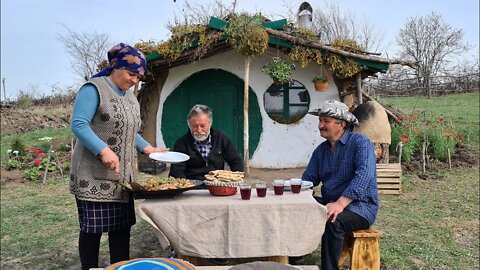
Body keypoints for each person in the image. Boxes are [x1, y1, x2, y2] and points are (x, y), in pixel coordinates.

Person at [70, 43, 167, 270]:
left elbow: (130, 132)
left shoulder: (130, 97)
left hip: (122, 178)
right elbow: (79, 124)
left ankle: (121, 267)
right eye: (131, 74)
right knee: (92, 231)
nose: (135, 80)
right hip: (92, 175)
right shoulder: (94, 89)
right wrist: (103, 150)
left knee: (121, 230)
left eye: (139, 77)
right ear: (117, 67)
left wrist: (147, 148)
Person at [302, 100, 378, 270]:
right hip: (331, 202)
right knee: (300, 207)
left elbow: (364, 176)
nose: (320, 125)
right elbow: (309, 179)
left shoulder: (360, 143)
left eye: (325, 121)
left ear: (341, 124)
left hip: (360, 208)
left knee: (332, 220)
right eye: (320, 120)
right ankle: (294, 255)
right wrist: (294, 191)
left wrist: (341, 203)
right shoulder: (321, 150)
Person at [169, 104, 244, 180]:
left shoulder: (221, 138)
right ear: (189, 125)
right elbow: (177, 171)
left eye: (202, 126)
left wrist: (236, 181)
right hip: (192, 186)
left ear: (210, 124)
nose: (199, 130)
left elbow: (236, 161)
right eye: (195, 126)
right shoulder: (181, 143)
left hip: (216, 185)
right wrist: (185, 186)